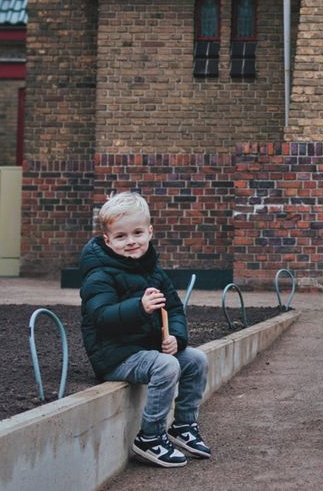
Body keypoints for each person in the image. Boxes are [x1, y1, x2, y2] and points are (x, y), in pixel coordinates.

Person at [79, 192, 211, 468]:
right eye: (121, 236)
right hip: (115, 355)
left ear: (149, 232)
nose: (131, 242)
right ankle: (150, 437)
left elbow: (174, 309)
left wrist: (176, 337)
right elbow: (102, 317)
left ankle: (183, 425)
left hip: (146, 349)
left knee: (196, 360)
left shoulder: (153, 271)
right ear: (108, 240)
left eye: (137, 233)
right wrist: (138, 307)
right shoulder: (99, 274)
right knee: (166, 366)